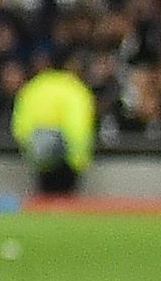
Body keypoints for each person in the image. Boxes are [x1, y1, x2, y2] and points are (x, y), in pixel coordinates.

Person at [10, 56, 97, 197]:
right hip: (67, 157)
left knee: (45, 197)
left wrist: (28, 148)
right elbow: (79, 125)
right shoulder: (75, 88)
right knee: (66, 200)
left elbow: (20, 123)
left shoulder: (34, 87)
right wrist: (79, 161)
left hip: (39, 153)